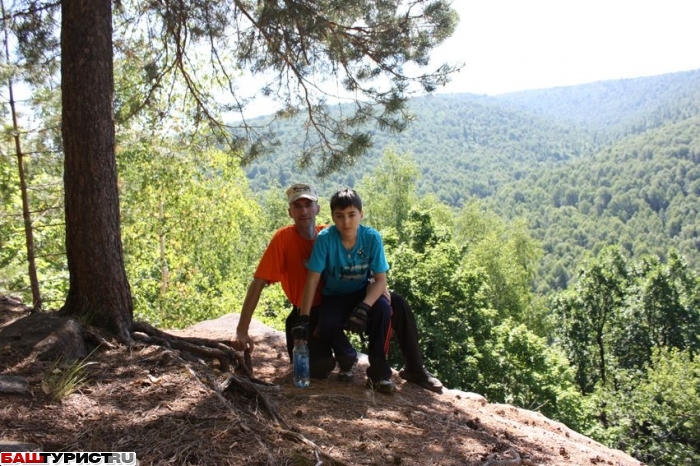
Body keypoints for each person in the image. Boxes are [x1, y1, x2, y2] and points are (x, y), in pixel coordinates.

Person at [232, 183, 442, 392]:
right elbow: (258, 282)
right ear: (290, 211)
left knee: (396, 304)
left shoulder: (334, 231)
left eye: (308, 204)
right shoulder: (286, 239)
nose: (304, 210)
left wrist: (375, 289)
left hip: (352, 297)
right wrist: (242, 329)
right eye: (297, 206)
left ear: (318, 208)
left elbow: (367, 265)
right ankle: (345, 357)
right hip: (312, 310)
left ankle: (415, 369)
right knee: (318, 368)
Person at [297, 188, 391, 394]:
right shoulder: (325, 239)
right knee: (327, 323)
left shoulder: (371, 238)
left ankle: (379, 375)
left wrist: (365, 307)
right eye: (339, 216)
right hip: (335, 296)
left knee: (383, 309)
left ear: (361, 214)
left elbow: (381, 280)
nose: (346, 222)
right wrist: (303, 319)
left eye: (351, 215)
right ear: (332, 217)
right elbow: (312, 280)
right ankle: (347, 358)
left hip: (361, 292)